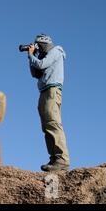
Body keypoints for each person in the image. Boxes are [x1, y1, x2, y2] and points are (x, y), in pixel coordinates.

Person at [28, 34, 70, 172]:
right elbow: (35, 74)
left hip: (52, 91)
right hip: (44, 92)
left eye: (38, 46)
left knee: (53, 123)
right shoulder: (45, 56)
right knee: (46, 127)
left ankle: (62, 159)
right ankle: (54, 159)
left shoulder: (56, 51)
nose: (38, 49)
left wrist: (31, 55)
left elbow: (41, 64)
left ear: (43, 44)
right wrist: (31, 57)